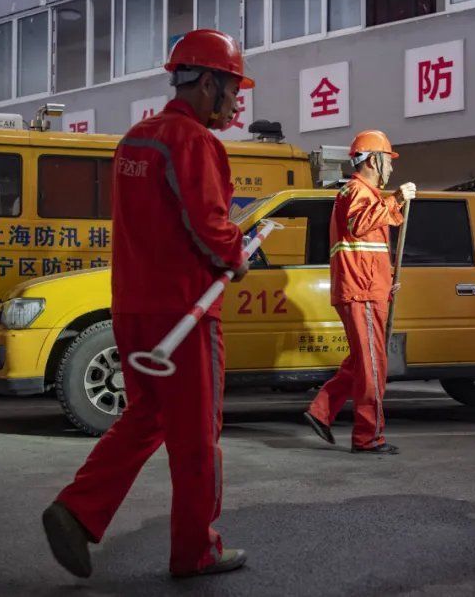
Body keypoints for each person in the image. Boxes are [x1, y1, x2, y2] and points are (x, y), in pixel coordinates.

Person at [41, 29, 253, 579]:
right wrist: (236, 252)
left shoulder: (136, 138)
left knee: (146, 417)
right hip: (184, 312)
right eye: (232, 87)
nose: (236, 100)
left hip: (134, 309)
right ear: (206, 82)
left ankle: (77, 509)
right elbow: (207, 223)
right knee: (197, 438)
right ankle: (195, 550)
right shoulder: (194, 142)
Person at [303, 130, 416, 455]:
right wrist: (396, 198)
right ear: (373, 160)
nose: (391, 169)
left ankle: (321, 410)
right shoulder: (357, 191)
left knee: (360, 362)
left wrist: (385, 281)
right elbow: (358, 226)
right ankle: (368, 437)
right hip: (362, 292)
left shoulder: (364, 193)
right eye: (388, 161)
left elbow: (364, 247)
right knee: (372, 366)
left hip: (367, 288)